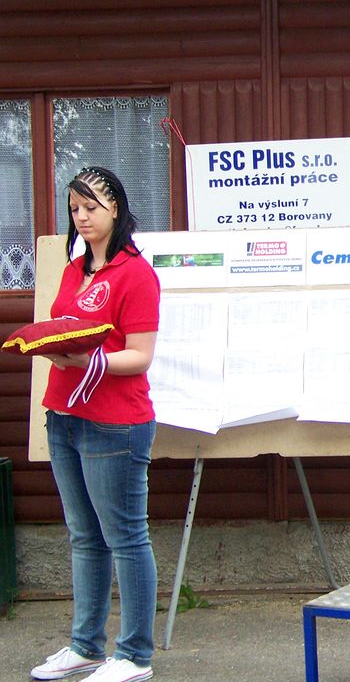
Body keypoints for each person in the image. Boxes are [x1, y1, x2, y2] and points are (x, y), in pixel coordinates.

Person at [32, 167, 160, 682]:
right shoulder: (73, 270)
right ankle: (85, 646)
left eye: (92, 207)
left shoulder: (137, 273)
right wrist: (47, 346)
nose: (82, 217)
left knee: (125, 537)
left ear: (116, 209)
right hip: (63, 414)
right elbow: (63, 327)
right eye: (74, 208)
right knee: (84, 536)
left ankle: (134, 655)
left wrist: (89, 362)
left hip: (115, 423)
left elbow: (141, 355)